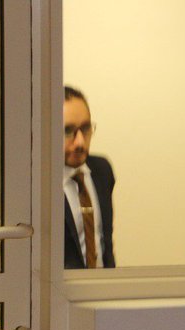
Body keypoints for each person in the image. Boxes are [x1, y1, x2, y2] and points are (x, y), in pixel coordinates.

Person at [63, 86, 115, 268]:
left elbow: (104, 242)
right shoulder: (28, 183)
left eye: (85, 129)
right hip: (54, 294)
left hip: (100, 289)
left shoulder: (102, 170)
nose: (80, 142)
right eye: (68, 131)